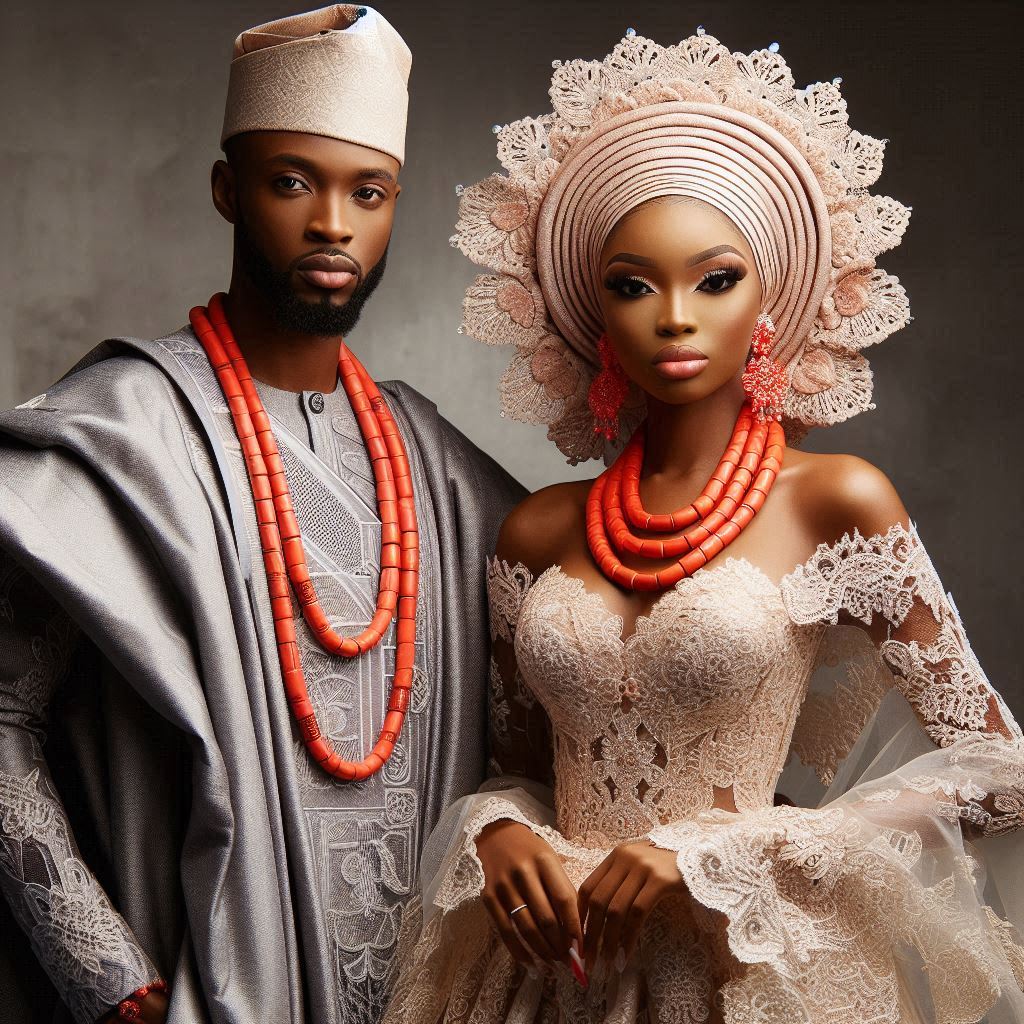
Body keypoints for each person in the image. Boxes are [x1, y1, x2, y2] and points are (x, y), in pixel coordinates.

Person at [382, 26, 1024, 1024]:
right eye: (633, 285)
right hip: (549, 981)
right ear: (596, 314)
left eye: (713, 279)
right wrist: (497, 830)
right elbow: (512, 763)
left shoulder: (834, 501)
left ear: (768, 300)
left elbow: (999, 773)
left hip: (745, 977)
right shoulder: (540, 531)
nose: (673, 315)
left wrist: (729, 851)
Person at [0, 6, 522, 1023]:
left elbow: (568, 692)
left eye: (366, 192)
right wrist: (104, 974)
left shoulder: (443, 472)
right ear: (227, 188)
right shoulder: (117, 436)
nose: (333, 221)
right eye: (293, 182)